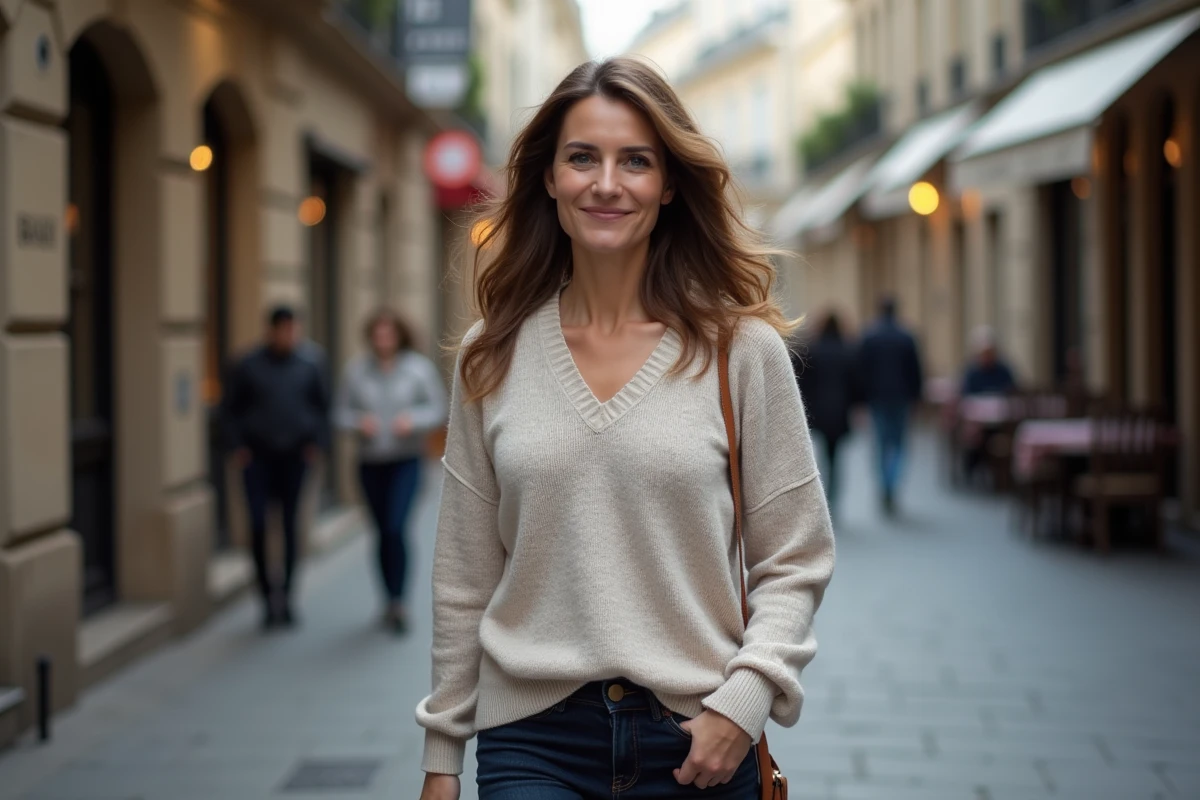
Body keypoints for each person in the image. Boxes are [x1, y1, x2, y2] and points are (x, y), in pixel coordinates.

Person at [416, 57, 836, 800]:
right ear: (549, 177)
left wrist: (742, 705)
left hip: (698, 742)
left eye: (635, 161)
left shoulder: (741, 351)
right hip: (533, 743)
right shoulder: (492, 354)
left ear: (669, 183)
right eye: (583, 157)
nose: (606, 183)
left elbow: (795, 558)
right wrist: (442, 753)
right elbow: (463, 577)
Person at [334, 308, 447, 634]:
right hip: (370, 463)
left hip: (406, 461)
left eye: (389, 333)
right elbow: (340, 413)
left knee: (397, 527)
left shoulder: (418, 370)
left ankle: (400, 601)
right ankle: (387, 598)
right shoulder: (356, 371)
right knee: (382, 531)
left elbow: (438, 408)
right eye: (378, 334)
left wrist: (413, 420)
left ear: (399, 335)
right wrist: (359, 423)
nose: (383, 339)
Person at [222, 306, 329, 630]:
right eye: (283, 329)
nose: (288, 335)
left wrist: (315, 445)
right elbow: (230, 410)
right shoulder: (248, 364)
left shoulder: (311, 363)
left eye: (293, 329)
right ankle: (266, 597)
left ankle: (287, 597)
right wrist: (238, 448)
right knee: (256, 525)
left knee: (290, 526)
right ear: (271, 330)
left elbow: (323, 406)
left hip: (295, 457)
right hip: (257, 458)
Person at [857, 296, 923, 516]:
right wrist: (916, 398)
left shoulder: (870, 336)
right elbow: (915, 370)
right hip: (901, 398)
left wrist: (861, 400)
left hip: (877, 398)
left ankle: (884, 483)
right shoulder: (906, 337)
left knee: (881, 443)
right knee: (899, 444)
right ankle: (892, 484)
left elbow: (862, 371)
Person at [793, 311, 860, 518]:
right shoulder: (847, 351)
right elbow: (856, 384)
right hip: (839, 411)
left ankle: (821, 498)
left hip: (816, 411)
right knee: (836, 457)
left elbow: (799, 382)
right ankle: (832, 498)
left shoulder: (812, 350)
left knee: (818, 455)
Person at [960, 326, 1016, 397]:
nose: (987, 357)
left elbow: (1012, 391)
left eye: (990, 353)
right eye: (984, 354)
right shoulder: (970, 373)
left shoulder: (1003, 371)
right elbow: (965, 395)